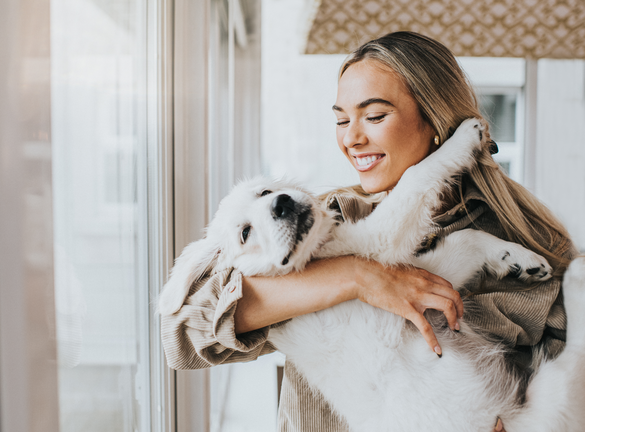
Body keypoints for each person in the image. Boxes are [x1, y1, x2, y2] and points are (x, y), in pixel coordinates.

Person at [161, 31, 576, 432]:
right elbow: (180, 335)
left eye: (374, 116)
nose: (351, 139)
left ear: (435, 118)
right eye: (342, 120)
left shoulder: (525, 242)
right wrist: (357, 277)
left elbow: (573, 391)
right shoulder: (327, 223)